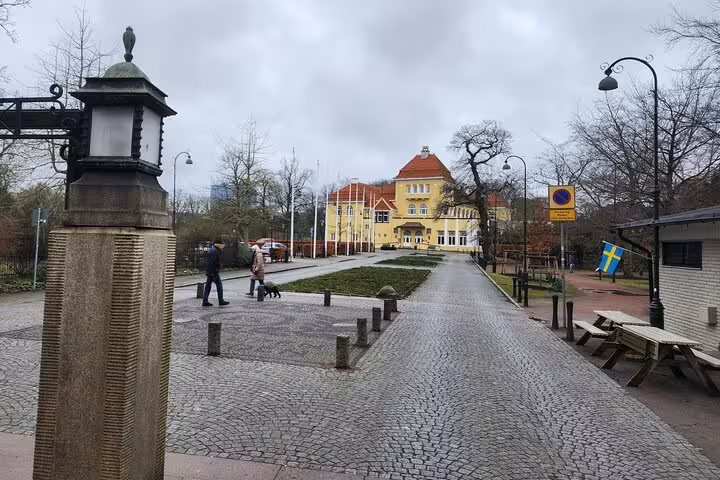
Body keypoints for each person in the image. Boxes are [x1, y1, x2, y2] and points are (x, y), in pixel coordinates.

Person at [203, 239, 229, 307]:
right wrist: (213, 272)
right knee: (219, 285)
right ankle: (221, 300)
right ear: (217, 244)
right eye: (221, 244)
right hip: (213, 271)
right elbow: (213, 262)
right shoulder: (215, 251)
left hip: (210, 271)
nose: (222, 246)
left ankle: (205, 301)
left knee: (208, 286)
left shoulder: (213, 250)